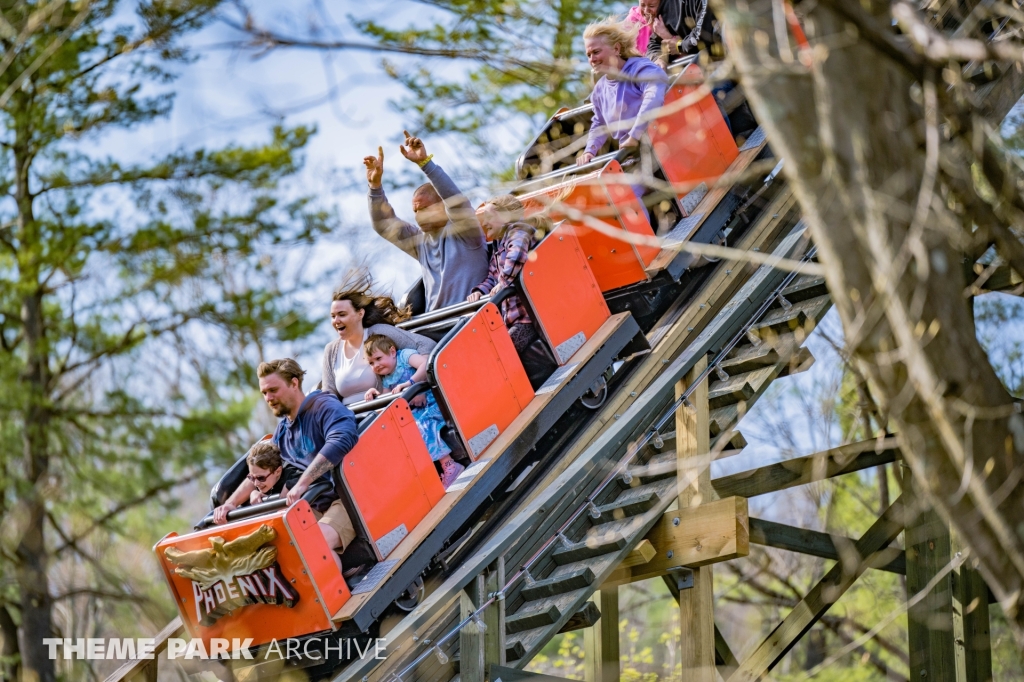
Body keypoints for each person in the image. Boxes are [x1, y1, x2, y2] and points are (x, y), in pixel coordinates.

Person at [213, 359, 358, 573]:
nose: (268, 398)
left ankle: (343, 602)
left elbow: (341, 439)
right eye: (264, 393)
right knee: (269, 548)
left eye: (273, 390)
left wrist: (302, 483)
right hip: (309, 506)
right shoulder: (282, 431)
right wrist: (231, 504)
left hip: (342, 498)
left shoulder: (323, 407)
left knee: (313, 544)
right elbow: (262, 469)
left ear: (294, 383)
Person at [364, 131, 488, 311]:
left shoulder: (466, 232)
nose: (418, 215)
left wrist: (425, 164)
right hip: (433, 327)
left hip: (467, 323)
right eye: (415, 211)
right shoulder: (420, 242)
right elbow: (384, 225)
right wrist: (375, 187)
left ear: (443, 206)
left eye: (424, 209)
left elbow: (455, 198)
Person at [468, 195, 557, 388]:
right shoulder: (499, 246)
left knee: (500, 351)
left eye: (489, 216)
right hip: (510, 318)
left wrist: (503, 283)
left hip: (527, 318)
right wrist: (479, 292)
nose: (485, 222)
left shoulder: (520, 230)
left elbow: (517, 256)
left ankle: (513, 389)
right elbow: (492, 276)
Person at [362, 335, 466, 489]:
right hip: (417, 411)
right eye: (371, 363)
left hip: (434, 401)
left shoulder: (404, 356)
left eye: (378, 358)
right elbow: (385, 407)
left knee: (420, 426)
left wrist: (411, 383)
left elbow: (425, 364)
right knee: (403, 431)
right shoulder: (386, 379)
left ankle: (450, 465)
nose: (376, 365)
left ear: (392, 352)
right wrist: (374, 397)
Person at [322, 269, 437, 406]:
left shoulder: (378, 333)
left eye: (342, 314)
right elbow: (328, 395)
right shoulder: (331, 350)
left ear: (360, 313)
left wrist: (417, 384)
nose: (336, 320)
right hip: (351, 420)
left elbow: (427, 345)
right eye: (333, 316)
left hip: (382, 413)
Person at [576, 19, 667, 168]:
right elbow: (599, 123)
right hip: (631, 158)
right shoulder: (599, 90)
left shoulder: (640, 69)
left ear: (616, 49)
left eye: (596, 52)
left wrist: (634, 135)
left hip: (660, 147)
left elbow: (654, 96)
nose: (592, 59)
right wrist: (589, 152)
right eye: (588, 55)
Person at [644, 0, 723, 68]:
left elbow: (703, 34)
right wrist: (657, 59)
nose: (646, 11)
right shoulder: (666, 4)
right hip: (691, 67)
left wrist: (680, 45)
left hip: (720, 62)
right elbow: (653, 44)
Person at [242, 439, 303, 505]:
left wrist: (289, 485)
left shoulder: (291, 474)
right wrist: (253, 493)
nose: (256, 484)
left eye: (261, 478)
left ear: (278, 471)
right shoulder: (264, 484)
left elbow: (312, 478)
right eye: (251, 477)